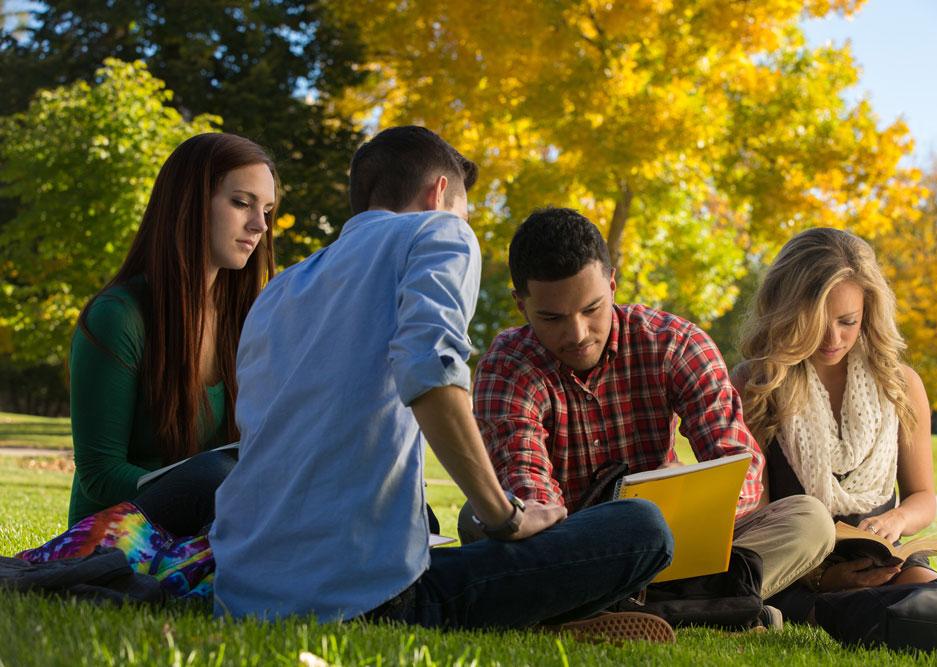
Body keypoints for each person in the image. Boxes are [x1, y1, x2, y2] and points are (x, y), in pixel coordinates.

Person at [210, 126, 674, 639]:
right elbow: (430, 370)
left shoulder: (280, 290)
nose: (464, 225)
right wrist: (504, 516)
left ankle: (547, 614)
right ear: (438, 194)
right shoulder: (438, 232)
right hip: (366, 602)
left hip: (243, 596)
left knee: (440, 537)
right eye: (465, 211)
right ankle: (539, 619)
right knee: (644, 530)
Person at [471, 208, 835, 616]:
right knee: (480, 519)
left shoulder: (673, 343)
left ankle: (617, 608)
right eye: (552, 318)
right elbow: (527, 486)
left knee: (809, 520)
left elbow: (741, 467)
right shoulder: (508, 366)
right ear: (522, 306)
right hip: (569, 553)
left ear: (612, 285)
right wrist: (607, 537)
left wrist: (686, 498)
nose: (577, 334)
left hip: (676, 544)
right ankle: (710, 606)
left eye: (591, 309)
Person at [68, 133, 277, 536]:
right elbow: (100, 474)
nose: (260, 225)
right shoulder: (118, 317)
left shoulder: (250, 319)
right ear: (189, 203)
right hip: (119, 538)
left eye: (267, 210)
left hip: (215, 527)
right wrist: (216, 489)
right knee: (213, 476)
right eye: (241, 203)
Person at [734, 227, 937, 621]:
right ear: (787, 312)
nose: (832, 337)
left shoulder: (901, 384)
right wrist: (823, 576)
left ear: (868, 312)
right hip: (797, 567)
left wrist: (897, 520)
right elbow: (753, 521)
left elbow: (923, 496)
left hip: (883, 558)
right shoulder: (756, 384)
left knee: (934, 604)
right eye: (815, 321)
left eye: (847, 321)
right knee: (857, 614)